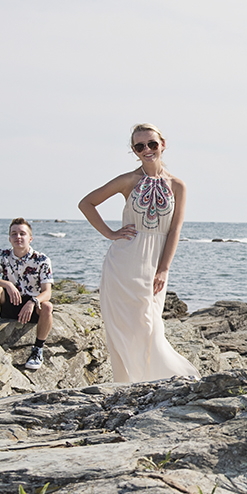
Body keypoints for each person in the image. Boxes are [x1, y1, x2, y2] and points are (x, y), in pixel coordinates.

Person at [78, 123, 199, 383]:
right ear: (134, 150)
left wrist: (164, 269)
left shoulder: (178, 185)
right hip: (123, 264)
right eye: (140, 146)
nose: (147, 150)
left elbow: (175, 230)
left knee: (151, 326)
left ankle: (160, 380)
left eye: (152, 144)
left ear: (162, 145)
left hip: (155, 263)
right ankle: (127, 383)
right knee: (124, 328)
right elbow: (86, 203)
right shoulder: (128, 181)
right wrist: (110, 233)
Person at [0, 218, 54, 370]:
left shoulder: (42, 260)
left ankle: (38, 350)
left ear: (30, 238)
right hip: (10, 303)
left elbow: (47, 292)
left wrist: (33, 302)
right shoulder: (2, 255)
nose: (18, 237)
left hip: (31, 309)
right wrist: (7, 284)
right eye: (14, 234)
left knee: (48, 307)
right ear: (9, 238)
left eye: (22, 233)